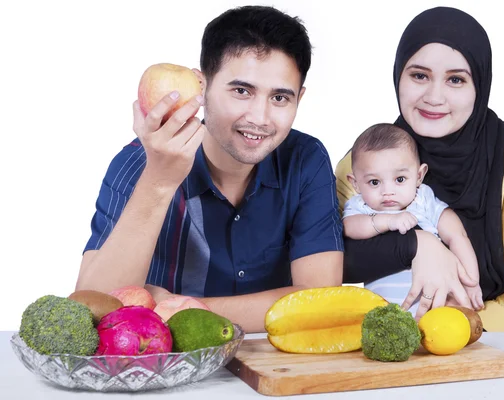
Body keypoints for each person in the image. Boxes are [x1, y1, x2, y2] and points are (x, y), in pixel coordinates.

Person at [75, 5, 344, 333]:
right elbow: (93, 308)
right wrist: (158, 183)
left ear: (299, 99)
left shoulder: (305, 159)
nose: (259, 117)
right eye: (241, 91)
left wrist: (174, 307)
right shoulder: (141, 161)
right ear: (201, 86)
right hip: (165, 367)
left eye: (279, 99)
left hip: (268, 365)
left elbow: (321, 301)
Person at [335, 6, 504, 331]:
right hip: (405, 346)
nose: (434, 97)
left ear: (479, 84)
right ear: (398, 76)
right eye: (419, 75)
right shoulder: (365, 164)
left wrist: (465, 326)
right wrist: (417, 245)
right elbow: (332, 261)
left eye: (455, 79)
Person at [342, 123, 483, 315]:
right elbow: (349, 228)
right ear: (356, 183)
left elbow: (457, 236)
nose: (388, 192)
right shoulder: (361, 206)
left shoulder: (423, 199)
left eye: (400, 179)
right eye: (374, 182)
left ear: (419, 176)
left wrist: (471, 282)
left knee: (451, 324)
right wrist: (387, 221)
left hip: (436, 297)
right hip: (385, 306)